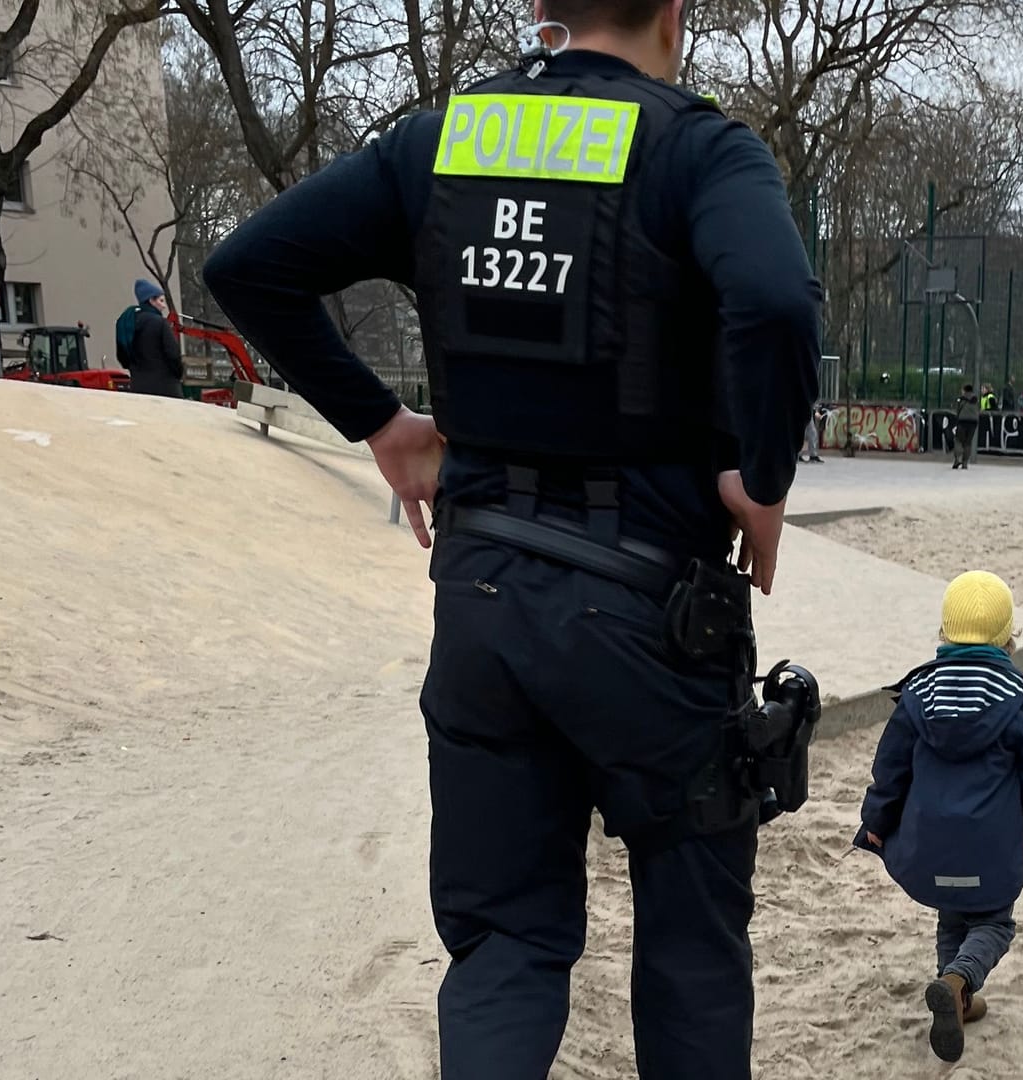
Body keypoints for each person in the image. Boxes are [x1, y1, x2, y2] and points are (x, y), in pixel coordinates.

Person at [200, 0, 823, 1076]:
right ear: (675, 11)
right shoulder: (698, 149)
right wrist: (761, 484)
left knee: (505, 946)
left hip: (484, 603)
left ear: (540, 9)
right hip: (655, 621)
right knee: (691, 952)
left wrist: (381, 424)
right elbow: (773, 304)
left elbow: (249, 266)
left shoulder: (442, 139)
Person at [854, 570, 1023, 1065]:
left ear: (944, 633)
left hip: (929, 849)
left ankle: (956, 999)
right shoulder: (1018, 699)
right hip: (988, 848)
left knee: (952, 909)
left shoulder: (919, 693)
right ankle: (961, 977)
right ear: (1009, 637)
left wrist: (876, 822)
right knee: (993, 921)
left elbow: (890, 770)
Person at [122, 279, 185, 398]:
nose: (164, 305)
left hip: (139, 389)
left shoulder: (128, 326)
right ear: (151, 300)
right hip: (166, 389)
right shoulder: (160, 323)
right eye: (161, 301)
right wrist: (178, 374)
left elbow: (124, 357)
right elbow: (173, 354)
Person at [951, 383, 980, 469]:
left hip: (962, 421)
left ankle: (958, 459)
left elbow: (957, 410)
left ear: (964, 390)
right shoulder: (976, 399)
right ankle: (965, 463)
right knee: (968, 442)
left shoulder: (961, 399)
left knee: (958, 440)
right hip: (973, 423)